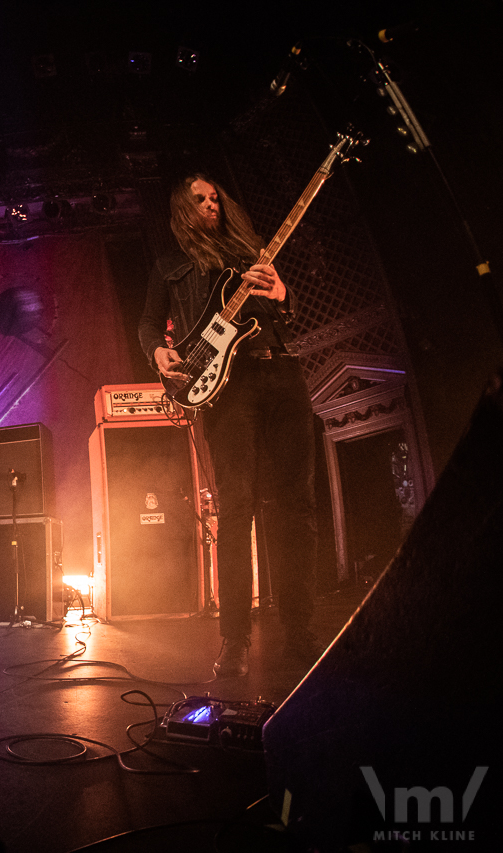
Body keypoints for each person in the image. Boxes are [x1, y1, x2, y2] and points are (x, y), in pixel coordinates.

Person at [138, 174, 319, 677]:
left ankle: (300, 632)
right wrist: (158, 353)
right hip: (226, 388)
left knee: (296, 504)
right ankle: (234, 639)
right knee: (236, 510)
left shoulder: (252, 251)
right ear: (181, 210)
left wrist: (282, 291)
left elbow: (286, 308)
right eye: (199, 198)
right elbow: (150, 324)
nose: (210, 203)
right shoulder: (169, 266)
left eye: (215, 196)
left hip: (280, 370)